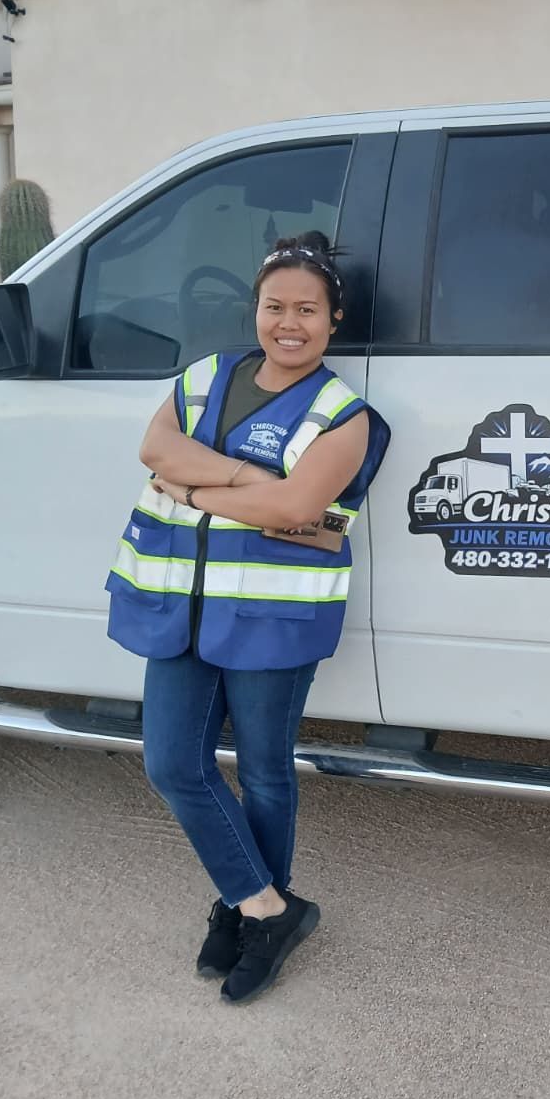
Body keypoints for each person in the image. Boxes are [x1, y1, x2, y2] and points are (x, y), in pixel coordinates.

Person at [106, 232, 390, 1004]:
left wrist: (193, 488)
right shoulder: (203, 378)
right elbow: (154, 448)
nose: (288, 323)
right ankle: (265, 905)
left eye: (308, 309)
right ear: (254, 311)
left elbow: (297, 504)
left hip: (272, 618)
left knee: (264, 769)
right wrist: (237, 480)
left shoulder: (346, 414)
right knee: (172, 764)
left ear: (335, 318)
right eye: (274, 306)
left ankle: (248, 903)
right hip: (180, 608)